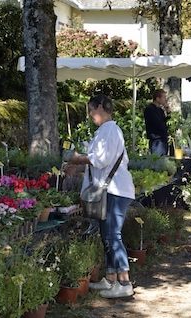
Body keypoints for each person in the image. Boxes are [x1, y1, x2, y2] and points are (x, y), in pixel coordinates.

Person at [63, 94, 136, 298]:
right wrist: (77, 168)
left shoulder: (111, 129)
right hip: (110, 190)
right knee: (107, 234)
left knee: (113, 235)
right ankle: (111, 278)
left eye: (91, 109)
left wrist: (76, 159)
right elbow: (99, 164)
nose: (89, 114)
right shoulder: (105, 130)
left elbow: (101, 160)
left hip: (116, 190)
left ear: (101, 108)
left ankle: (124, 282)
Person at [144, 89, 170, 156]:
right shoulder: (150, 109)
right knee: (157, 161)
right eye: (164, 97)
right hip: (156, 139)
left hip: (163, 138)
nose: (165, 100)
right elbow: (157, 123)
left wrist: (168, 112)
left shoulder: (160, 110)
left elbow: (166, 122)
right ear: (157, 98)